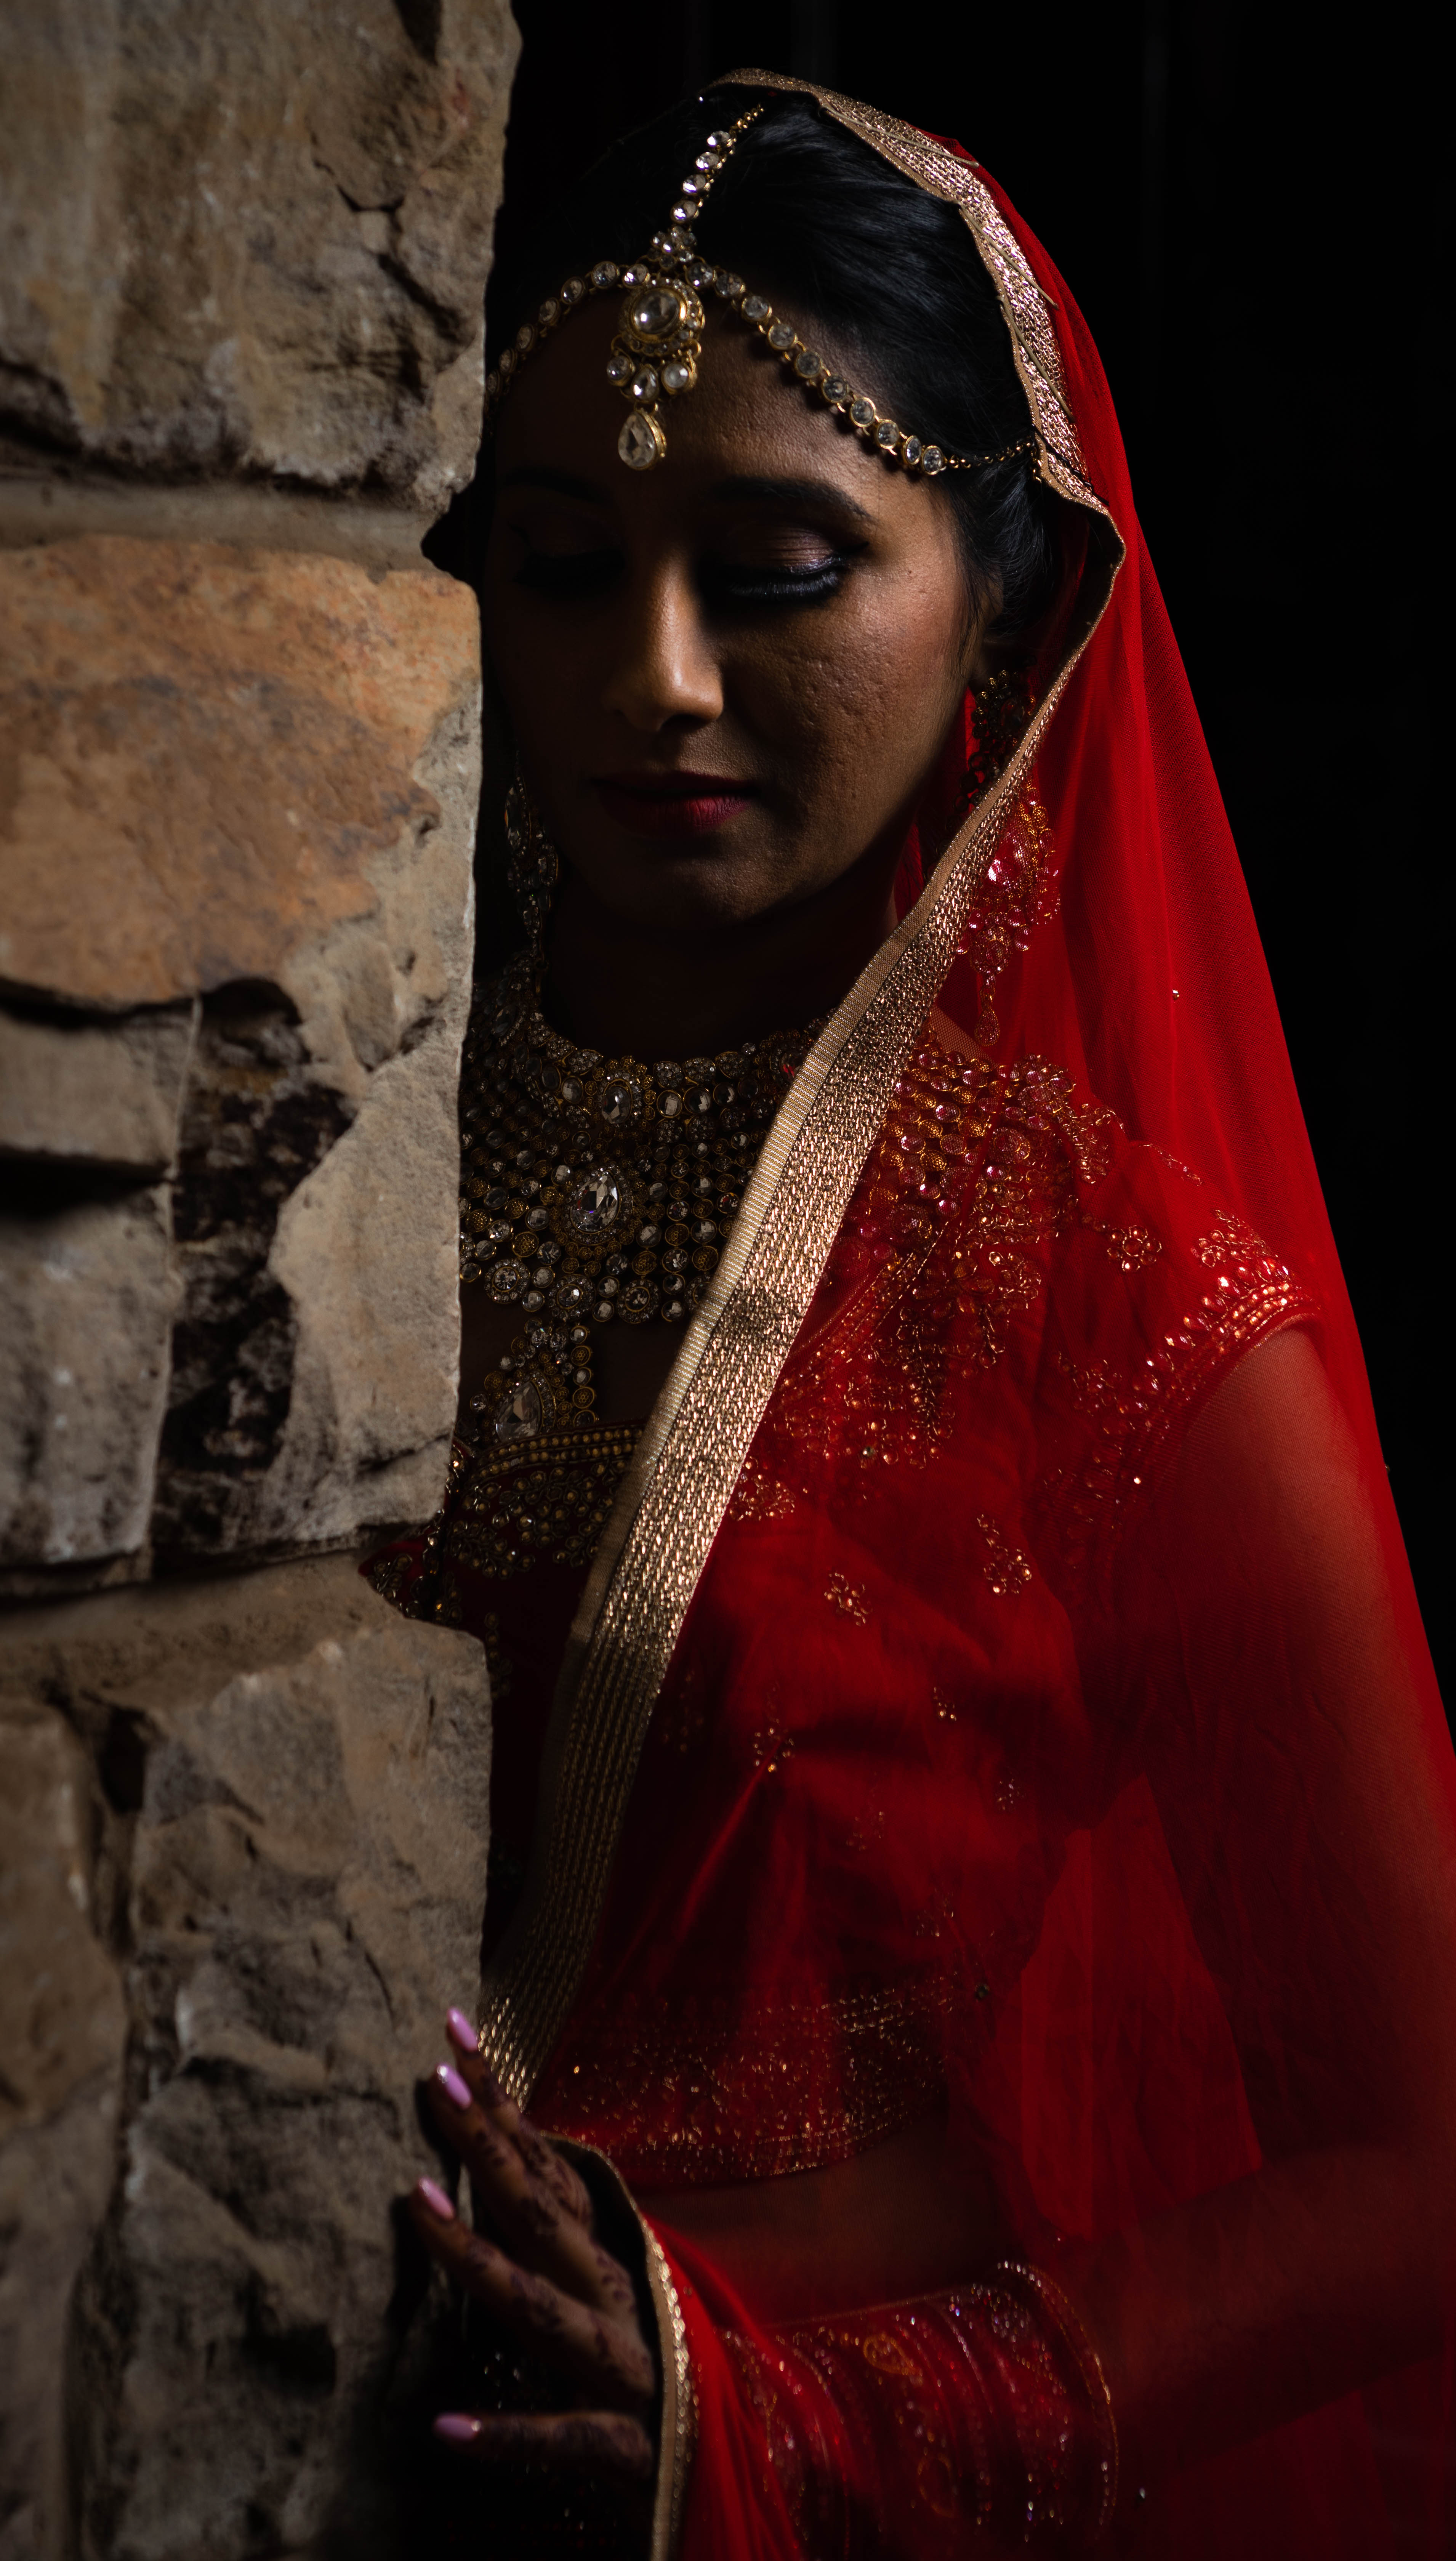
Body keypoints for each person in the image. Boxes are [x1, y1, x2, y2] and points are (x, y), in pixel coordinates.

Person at [365, 73, 1456, 2559]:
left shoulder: (1123, 1307)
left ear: (1015, 605)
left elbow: (1419, 2171)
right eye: (554, 561)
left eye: (768, 568)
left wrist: (764, 2426)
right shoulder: (314, 1140)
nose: (648, 679)